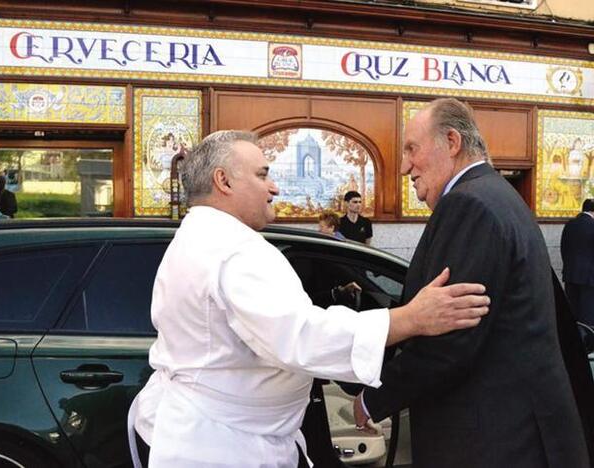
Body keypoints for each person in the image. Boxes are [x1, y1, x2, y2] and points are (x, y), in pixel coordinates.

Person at [128, 130, 490, 468]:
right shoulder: (232, 251)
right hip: (222, 444)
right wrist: (410, 319)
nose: (274, 188)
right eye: (262, 175)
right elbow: (300, 335)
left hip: (215, 430)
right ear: (223, 181)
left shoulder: (199, 236)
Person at [353, 98, 590, 468]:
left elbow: (449, 338)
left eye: (411, 149)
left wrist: (372, 400)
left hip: (494, 441)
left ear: (451, 142)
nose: (403, 167)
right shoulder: (498, 195)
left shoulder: (468, 205)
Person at [561, 198, 594, 327]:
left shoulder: (570, 224)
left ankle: (573, 341)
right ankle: (587, 343)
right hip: (589, 279)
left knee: (572, 311)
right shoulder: (592, 227)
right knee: (588, 314)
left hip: (570, 275)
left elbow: (564, 247)